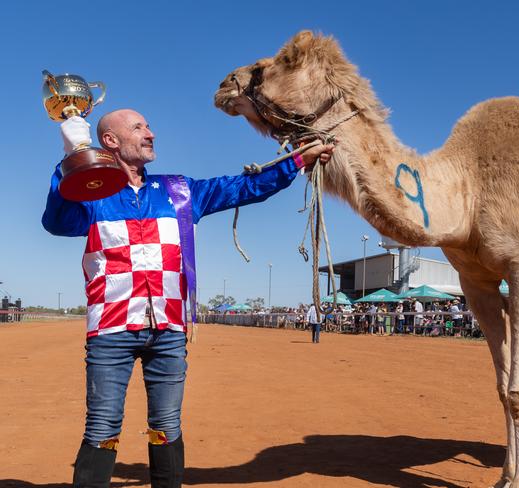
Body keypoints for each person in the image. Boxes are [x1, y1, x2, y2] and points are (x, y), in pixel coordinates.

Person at [41, 110, 333, 487]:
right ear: (111, 141)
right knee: (102, 427)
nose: (151, 133)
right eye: (139, 128)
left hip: (169, 331)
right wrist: (74, 155)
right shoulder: (94, 193)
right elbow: (57, 221)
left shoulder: (180, 190)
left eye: (149, 125)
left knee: (166, 426)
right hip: (111, 331)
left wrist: (296, 160)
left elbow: (242, 187)